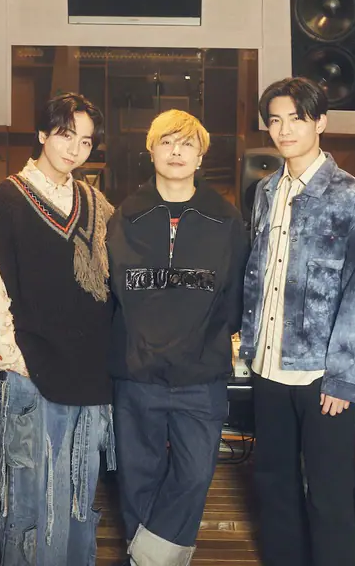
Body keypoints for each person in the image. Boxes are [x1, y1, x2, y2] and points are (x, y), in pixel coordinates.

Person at [0, 93, 115, 566]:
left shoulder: (94, 202)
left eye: (85, 141)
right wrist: (18, 360)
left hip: (89, 376)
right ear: (43, 135)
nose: (75, 149)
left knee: (78, 497)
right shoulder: (6, 200)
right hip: (32, 372)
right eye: (66, 135)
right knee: (30, 502)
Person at [238, 76, 355, 566]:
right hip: (268, 367)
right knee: (274, 487)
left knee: (329, 495)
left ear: (320, 122)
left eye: (296, 119)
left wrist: (342, 378)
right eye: (275, 120)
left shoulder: (353, 197)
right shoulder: (265, 191)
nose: (284, 130)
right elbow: (259, 275)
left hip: (323, 377)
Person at [107, 110, 249, 566]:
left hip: (201, 374)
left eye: (186, 144)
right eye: (166, 142)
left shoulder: (226, 219)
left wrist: (207, 337)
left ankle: (143, 560)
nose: (175, 152)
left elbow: (235, 294)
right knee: (137, 480)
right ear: (150, 150)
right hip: (136, 372)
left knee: (193, 477)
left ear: (201, 156)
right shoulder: (123, 216)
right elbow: (112, 292)